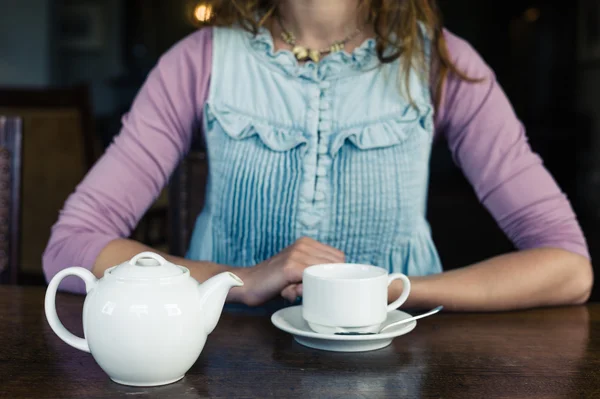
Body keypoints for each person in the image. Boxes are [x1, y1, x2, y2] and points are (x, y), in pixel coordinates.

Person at [43, 0, 593, 311]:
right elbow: (70, 249)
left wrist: (394, 290)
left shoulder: (442, 64)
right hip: (223, 367)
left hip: (403, 366)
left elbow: (569, 268)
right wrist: (238, 278)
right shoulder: (198, 61)